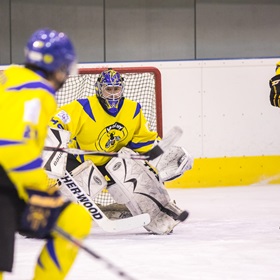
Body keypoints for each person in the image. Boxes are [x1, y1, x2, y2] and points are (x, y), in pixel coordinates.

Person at [49, 68, 193, 235]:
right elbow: (57, 120)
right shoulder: (82, 107)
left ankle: (160, 214)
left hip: (111, 162)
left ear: (122, 89)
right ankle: (47, 218)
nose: (112, 94)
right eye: (108, 89)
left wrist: (164, 155)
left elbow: (143, 142)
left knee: (136, 175)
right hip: (81, 161)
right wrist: (53, 134)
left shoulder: (132, 110)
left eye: (116, 89)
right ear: (99, 89)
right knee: (85, 182)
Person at [0, 28, 91, 280]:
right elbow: (11, 147)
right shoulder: (37, 93)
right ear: (60, 67)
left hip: (8, 183)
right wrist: (40, 187)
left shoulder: (10, 78)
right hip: (5, 182)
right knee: (74, 220)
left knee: (73, 219)